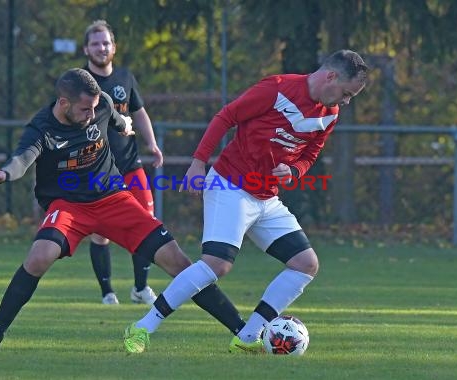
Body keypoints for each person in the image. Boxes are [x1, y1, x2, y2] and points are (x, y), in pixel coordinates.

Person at [0, 68, 246, 349]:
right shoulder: (41, 127)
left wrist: (125, 126)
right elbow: (22, 159)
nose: (91, 115)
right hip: (68, 207)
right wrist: (5, 174)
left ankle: (243, 331)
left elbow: (118, 120)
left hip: (114, 199)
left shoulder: (101, 103)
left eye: (94, 108)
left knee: (179, 263)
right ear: (63, 103)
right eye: (84, 109)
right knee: (39, 257)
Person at [123, 49, 368, 354]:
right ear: (331, 76)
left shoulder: (329, 114)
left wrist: (294, 170)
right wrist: (198, 162)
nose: (346, 101)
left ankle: (248, 338)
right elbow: (226, 117)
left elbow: (311, 153)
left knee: (305, 264)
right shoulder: (277, 88)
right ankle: (143, 326)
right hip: (230, 185)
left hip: (266, 198)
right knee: (217, 264)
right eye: (346, 93)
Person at [83, 20, 162, 305]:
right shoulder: (80, 82)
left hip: (131, 165)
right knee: (100, 233)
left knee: (147, 224)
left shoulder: (126, 77)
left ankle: (140, 289)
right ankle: (107, 293)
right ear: (86, 49)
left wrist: (151, 142)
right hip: (97, 171)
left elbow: (139, 113)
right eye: (95, 43)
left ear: (113, 47)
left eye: (105, 43)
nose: (101, 48)